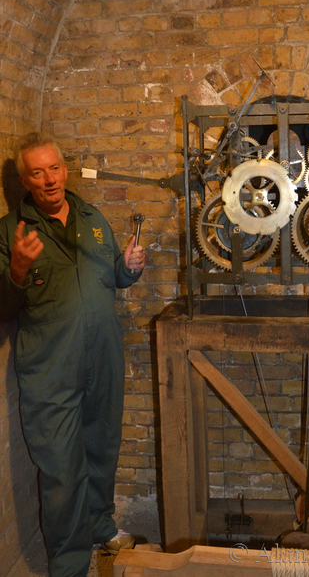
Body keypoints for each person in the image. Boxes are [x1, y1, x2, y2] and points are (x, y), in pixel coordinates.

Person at [0, 133, 145, 577]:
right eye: (38, 172)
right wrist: (18, 270)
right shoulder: (11, 232)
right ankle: (68, 564)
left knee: (102, 446)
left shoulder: (92, 217)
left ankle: (101, 527)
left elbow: (110, 280)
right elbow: (2, 308)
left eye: (55, 169)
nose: (49, 180)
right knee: (61, 471)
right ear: (25, 180)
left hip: (102, 357)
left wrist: (128, 269)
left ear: (65, 170)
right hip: (50, 367)